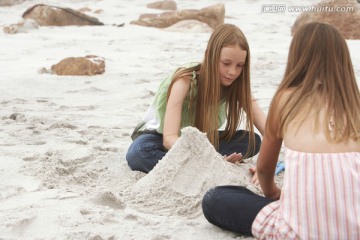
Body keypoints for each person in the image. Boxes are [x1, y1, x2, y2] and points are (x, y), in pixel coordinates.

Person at [202, 22, 360, 239]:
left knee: (215, 198)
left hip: (297, 232)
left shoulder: (286, 99)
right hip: (353, 230)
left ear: (296, 57)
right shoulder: (355, 104)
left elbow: (265, 171)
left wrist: (274, 193)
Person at [126, 23, 266, 173]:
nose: (232, 72)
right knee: (138, 153)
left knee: (251, 140)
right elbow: (169, 138)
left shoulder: (236, 84)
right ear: (209, 55)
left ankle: (194, 167)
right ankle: (201, 167)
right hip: (162, 139)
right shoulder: (185, 81)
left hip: (201, 143)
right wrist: (208, 159)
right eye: (226, 63)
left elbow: (269, 131)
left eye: (239, 65)